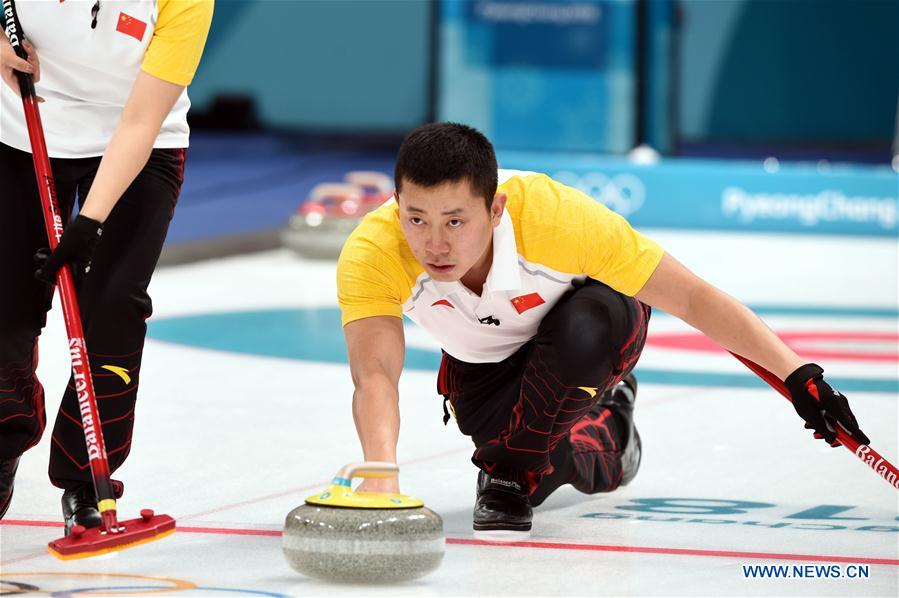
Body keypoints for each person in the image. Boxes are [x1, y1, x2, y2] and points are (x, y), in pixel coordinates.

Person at [336, 122, 870, 537]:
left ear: (495, 209)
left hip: (594, 326)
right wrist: (380, 473)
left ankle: (509, 475)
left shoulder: (556, 220)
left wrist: (800, 378)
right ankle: (613, 430)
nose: (434, 244)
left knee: (577, 347)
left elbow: (691, 297)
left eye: (455, 221)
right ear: (398, 206)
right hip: (485, 364)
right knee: (544, 453)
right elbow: (376, 374)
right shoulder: (374, 252)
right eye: (416, 219)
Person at [0, 0, 213, 532]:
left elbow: (142, 119)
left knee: (114, 303)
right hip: (19, 131)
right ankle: (3, 436)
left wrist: (89, 223)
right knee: (7, 300)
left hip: (141, 138)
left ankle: (85, 478)